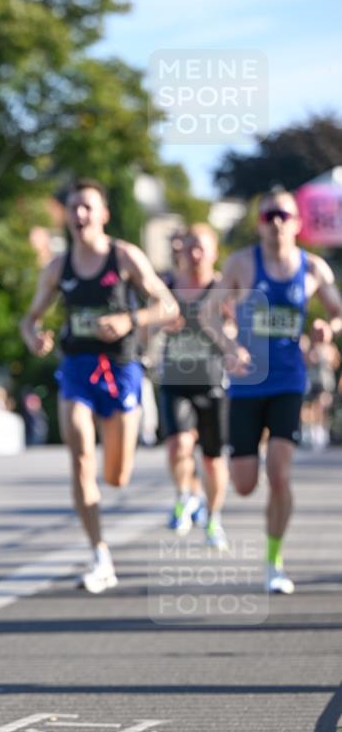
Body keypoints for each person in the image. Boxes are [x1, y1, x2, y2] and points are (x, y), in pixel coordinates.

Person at [21, 178, 178, 593]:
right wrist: (34, 336)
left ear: (103, 214)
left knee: (118, 476)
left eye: (88, 207)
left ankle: (106, 526)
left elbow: (167, 305)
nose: (80, 215)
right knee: (79, 457)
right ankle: (99, 555)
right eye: (74, 207)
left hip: (122, 367)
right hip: (77, 366)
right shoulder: (58, 267)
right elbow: (29, 318)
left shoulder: (124, 256)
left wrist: (131, 320)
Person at [201, 190, 342, 594]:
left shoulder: (312, 268)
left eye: (284, 214)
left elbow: (337, 311)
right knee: (245, 484)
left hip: (288, 381)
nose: (276, 221)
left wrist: (327, 330)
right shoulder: (243, 264)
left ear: (297, 222)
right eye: (268, 216)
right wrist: (230, 347)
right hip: (246, 383)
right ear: (260, 223)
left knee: (279, 476)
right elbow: (210, 312)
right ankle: (247, 463)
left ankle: (274, 561)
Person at [159, 223, 229, 548]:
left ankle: (213, 518)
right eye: (189, 248)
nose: (195, 254)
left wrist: (218, 326)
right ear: (181, 252)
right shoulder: (167, 287)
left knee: (212, 459)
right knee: (178, 446)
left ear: (214, 252)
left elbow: (237, 330)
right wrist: (159, 323)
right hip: (175, 380)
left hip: (212, 382)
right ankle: (184, 496)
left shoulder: (222, 287)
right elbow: (144, 325)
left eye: (201, 247)